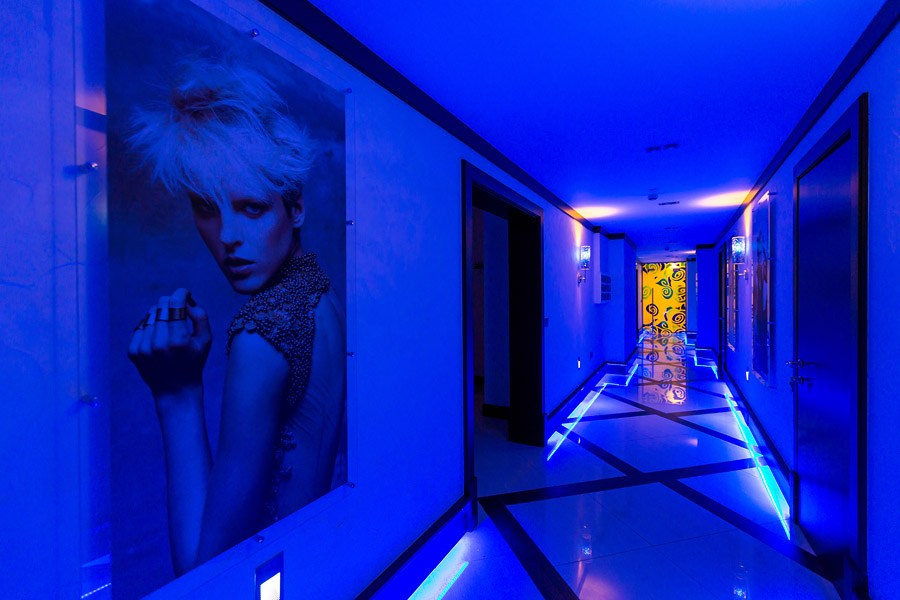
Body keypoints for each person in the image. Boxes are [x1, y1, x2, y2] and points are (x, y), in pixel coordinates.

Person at [126, 58, 345, 575]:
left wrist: (177, 393)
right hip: (314, 564)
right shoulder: (318, 295)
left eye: (251, 208)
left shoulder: (261, 335)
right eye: (206, 207)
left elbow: (208, 574)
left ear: (295, 208)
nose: (226, 236)